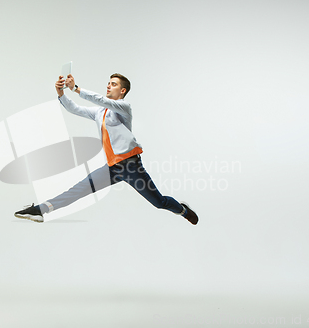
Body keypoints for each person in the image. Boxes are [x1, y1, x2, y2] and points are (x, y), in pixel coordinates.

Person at [14, 73, 198, 225]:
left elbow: (100, 99)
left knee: (159, 202)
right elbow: (75, 109)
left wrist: (76, 87)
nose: (109, 86)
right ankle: (41, 210)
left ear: (122, 90)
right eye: (108, 83)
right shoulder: (99, 112)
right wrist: (61, 94)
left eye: (114, 84)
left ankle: (182, 210)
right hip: (112, 169)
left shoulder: (124, 108)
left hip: (131, 167)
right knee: (78, 190)